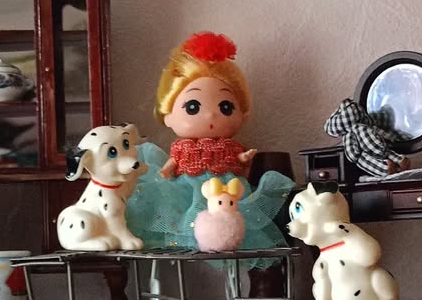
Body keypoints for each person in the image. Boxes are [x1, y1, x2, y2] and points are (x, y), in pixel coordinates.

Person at [125, 32, 295, 257]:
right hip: (185, 193)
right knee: (185, 224)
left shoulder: (232, 147)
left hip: (230, 195)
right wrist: (164, 174)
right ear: (168, 116)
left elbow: (241, 162)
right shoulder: (182, 149)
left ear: (242, 115)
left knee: (237, 230)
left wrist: (245, 158)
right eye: (193, 107)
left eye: (225, 107)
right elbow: (172, 164)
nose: (210, 116)